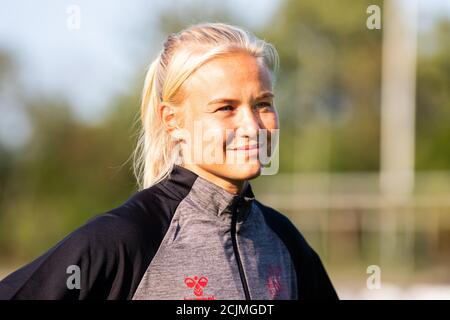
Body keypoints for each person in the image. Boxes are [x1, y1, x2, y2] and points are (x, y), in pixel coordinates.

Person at [0, 22, 338, 300]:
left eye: (263, 104)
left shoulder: (284, 241)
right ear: (172, 121)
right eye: (226, 108)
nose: (252, 127)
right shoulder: (126, 238)